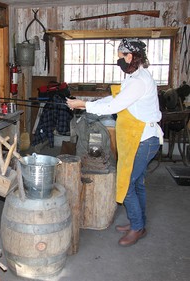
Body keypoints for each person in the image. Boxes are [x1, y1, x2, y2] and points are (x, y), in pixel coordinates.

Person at [67, 38, 163, 247]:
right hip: (139, 138)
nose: (118, 61)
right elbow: (111, 100)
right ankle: (139, 223)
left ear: (130, 57)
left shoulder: (138, 81)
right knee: (136, 183)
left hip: (144, 140)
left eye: (120, 57)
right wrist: (86, 105)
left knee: (126, 184)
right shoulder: (133, 77)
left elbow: (114, 106)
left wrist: (83, 104)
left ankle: (137, 227)